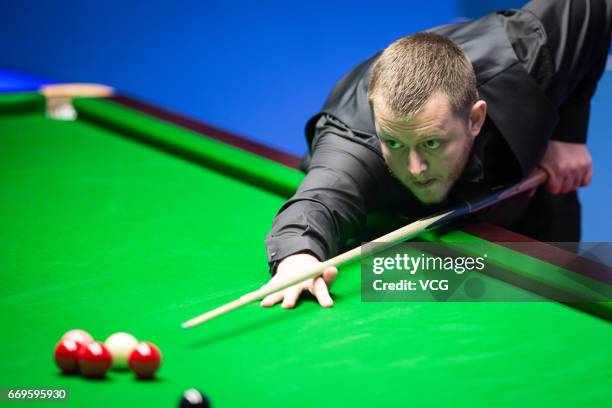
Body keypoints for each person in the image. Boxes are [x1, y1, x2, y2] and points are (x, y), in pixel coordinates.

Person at [262, 0, 612, 309]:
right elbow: (317, 202)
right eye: (395, 144)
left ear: (475, 118)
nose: (415, 168)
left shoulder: (529, 53)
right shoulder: (354, 143)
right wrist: (297, 257)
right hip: (411, 240)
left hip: (528, 201)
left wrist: (568, 134)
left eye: (431, 143)